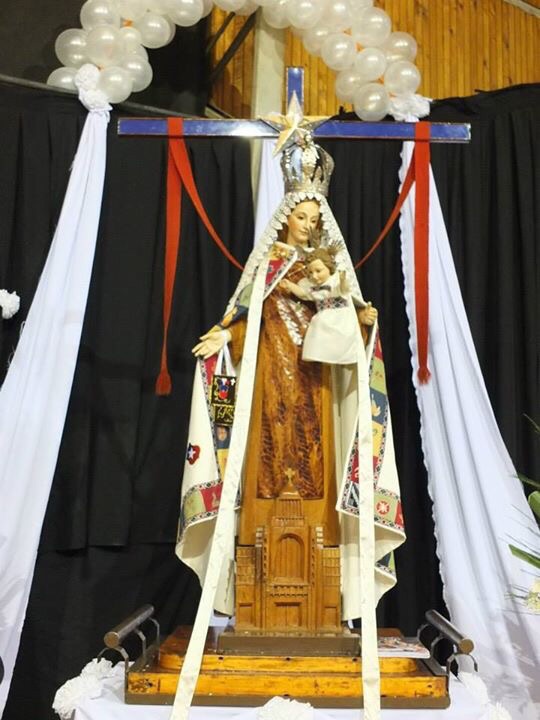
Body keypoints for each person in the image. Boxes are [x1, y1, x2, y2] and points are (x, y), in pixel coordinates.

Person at [176, 131, 405, 624]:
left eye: (315, 219)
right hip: (270, 380)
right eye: (302, 217)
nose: (308, 226)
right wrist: (224, 336)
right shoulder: (269, 267)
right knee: (270, 450)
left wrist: (363, 322)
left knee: (315, 454)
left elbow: (347, 319)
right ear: (286, 217)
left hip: (317, 386)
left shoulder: (326, 271)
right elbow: (244, 316)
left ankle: (326, 593)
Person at [280, 245, 374, 365]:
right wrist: (290, 285)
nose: (314, 276)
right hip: (322, 317)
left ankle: (343, 356)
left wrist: (343, 280)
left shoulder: (334, 281)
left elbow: (344, 289)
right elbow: (303, 293)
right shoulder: (312, 286)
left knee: (341, 340)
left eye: (318, 271)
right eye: (310, 272)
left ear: (329, 267)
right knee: (319, 334)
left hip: (339, 317)